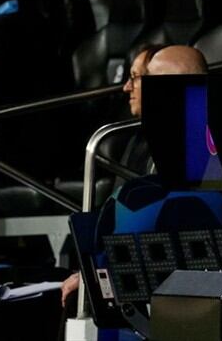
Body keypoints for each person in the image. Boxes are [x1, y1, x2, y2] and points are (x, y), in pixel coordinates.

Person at [61, 44, 209, 307]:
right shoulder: (143, 139)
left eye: (140, 78)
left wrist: (103, 271)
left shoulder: (203, 143)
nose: (127, 88)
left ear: (173, 86)